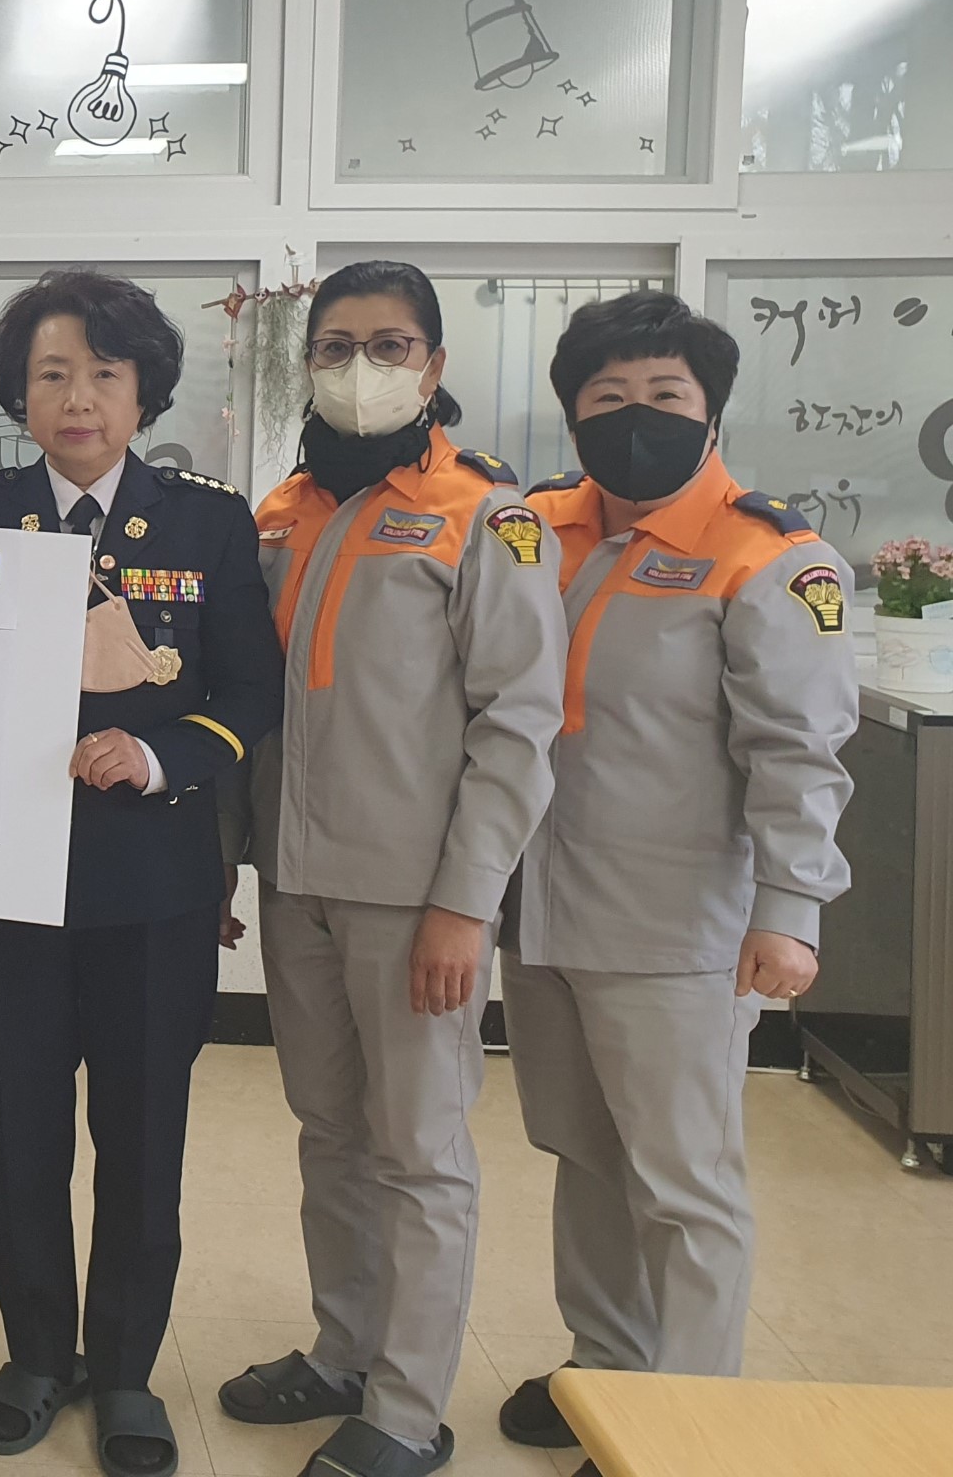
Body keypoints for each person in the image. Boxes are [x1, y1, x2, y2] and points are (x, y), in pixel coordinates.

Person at [494, 292, 855, 1471]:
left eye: (664, 395)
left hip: (675, 926)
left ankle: (690, 1421)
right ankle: (606, 1367)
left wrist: (789, 912)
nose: (634, 416)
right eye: (607, 397)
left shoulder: (769, 557)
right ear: (572, 414)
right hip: (538, 910)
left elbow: (797, 753)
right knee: (584, 1154)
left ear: (709, 411)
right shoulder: (533, 530)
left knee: (683, 1183)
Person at [0, 270, 285, 1473]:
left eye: (102, 373)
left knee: (141, 1141)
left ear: (144, 393)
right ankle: (37, 1353)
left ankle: (127, 1369)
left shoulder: (207, 521)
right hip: (6, 891)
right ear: (16, 394)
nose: (76, 398)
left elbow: (249, 690)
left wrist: (159, 753)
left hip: (152, 891)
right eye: (50, 374)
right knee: (21, 1136)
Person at [219, 260, 565, 1477]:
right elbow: (246, 703)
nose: (358, 367)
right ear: (306, 361)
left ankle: (409, 1409)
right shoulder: (280, 512)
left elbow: (517, 724)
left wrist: (466, 903)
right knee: (329, 1129)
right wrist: (230, 864)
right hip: (294, 877)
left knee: (418, 1149)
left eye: (388, 345)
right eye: (335, 346)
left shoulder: (489, 516)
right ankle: (343, 1350)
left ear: (432, 366)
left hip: (416, 895)